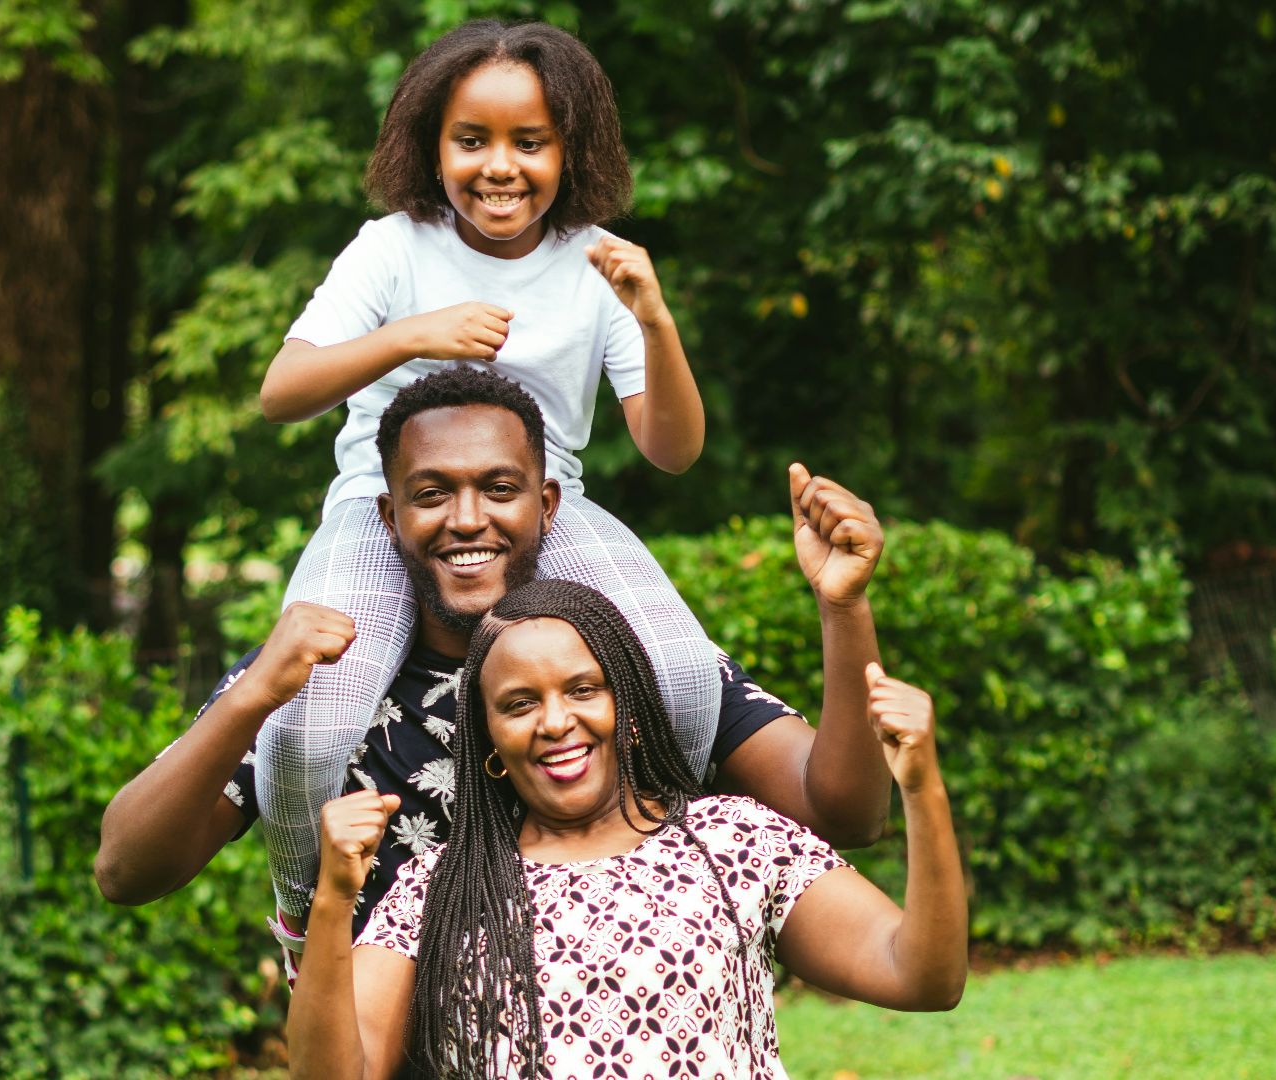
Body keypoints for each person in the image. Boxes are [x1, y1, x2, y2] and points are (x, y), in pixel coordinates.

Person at [95, 367, 892, 967]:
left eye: (498, 488)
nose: (467, 519)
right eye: (432, 493)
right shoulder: (314, 683)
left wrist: (844, 609)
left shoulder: (629, 662)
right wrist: (250, 700)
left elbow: (845, 812)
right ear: (390, 516)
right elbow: (126, 871)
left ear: (546, 505)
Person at [253, 18, 716, 929]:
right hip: (379, 513)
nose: (499, 166)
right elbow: (281, 391)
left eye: (528, 142)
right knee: (305, 728)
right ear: (433, 148)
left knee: (689, 682)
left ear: (567, 150)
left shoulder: (593, 261)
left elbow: (673, 449)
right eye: (473, 141)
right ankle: (307, 914)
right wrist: (410, 337)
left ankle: (653, 883)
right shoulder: (392, 248)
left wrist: (656, 321)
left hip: (549, 513)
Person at [288, 579, 968, 1079]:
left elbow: (922, 978)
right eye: (520, 704)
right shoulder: (438, 888)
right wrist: (332, 900)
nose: (555, 722)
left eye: (583, 689)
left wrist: (922, 790)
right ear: (490, 740)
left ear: (633, 709)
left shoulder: (737, 842)